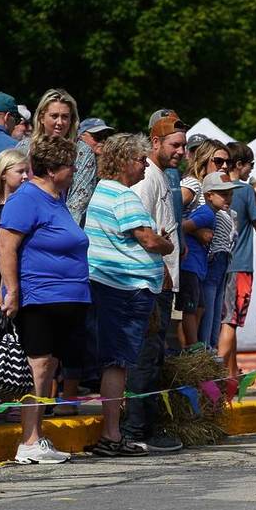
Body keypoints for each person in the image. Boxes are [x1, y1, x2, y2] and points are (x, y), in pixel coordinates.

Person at [0, 136, 90, 464]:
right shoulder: (27, 198)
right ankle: (29, 440)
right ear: (51, 170)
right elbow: (6, 246)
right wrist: (12, 290)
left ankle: (37, 436)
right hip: (40, 296)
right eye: (70, 165)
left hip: (65, 298)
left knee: (48, 366)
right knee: (37, 366)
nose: (75, 170)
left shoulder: (56, 198)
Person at [83, 133, 175, 457]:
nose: (145, 166)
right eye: (140, 160)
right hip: (126, 288)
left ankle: (112, 431)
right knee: (119, 363)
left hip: (112, 286)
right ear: (123, 162)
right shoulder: (123, 196)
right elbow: (148, 240)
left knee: (116, 362)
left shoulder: (102, 192)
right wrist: (168, 245)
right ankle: (112, 433)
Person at [123, 112, 188, 453]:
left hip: (163, 283)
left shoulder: (164, 177)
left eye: (183, 146)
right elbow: (140, 233)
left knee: (154, 357)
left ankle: (143, 427)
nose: (180, 151)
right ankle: (137, 432)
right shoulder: (148, 180)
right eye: (175, 145)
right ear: (156, 142)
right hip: (150, 285)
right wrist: (159, 271)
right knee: (145, 359)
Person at [16, 89, 98, 227]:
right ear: (42, 117)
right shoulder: (24, 148)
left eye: (65, 117)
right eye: (54, 116)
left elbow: (77, 204)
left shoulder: (82, 152)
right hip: (23, 224)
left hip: (62, 229)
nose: (60, 122)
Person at [219, 141, 256, 377]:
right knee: (231, 322)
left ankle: (230, 377)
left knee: (226, 322)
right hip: (240, 265)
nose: (251, 171)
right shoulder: (245, 190)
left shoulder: (217, 188)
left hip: (220, 264)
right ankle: (215, 373)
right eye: (251, 165)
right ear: (239, 164)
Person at [181, 173, 239, 345]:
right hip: (190, 266)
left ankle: (195, 346)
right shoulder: (207, 214)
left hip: (197, 267)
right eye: (223, 194)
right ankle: (193, 346)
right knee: (191, 309)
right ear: (208, 195)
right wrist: (196, 232)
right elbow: (181, 226)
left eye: (230, 194)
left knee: (200, 307)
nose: (228, 198)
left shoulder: (211, 213)